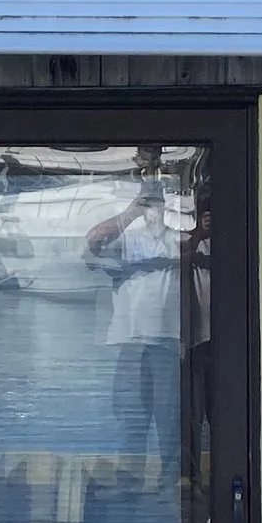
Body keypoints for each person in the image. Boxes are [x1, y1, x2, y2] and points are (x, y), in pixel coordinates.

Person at [87, 170, 184, 477]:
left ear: (166, 205)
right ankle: (130, 477)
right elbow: (92, 248)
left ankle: (171, 482)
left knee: (169, 419)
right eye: (147, 201)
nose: (152, 208)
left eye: (156, 201)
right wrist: (129, 213)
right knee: (131, 417)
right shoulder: (126, 241)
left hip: (167, 342)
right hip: (130, 342)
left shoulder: (177, 240)